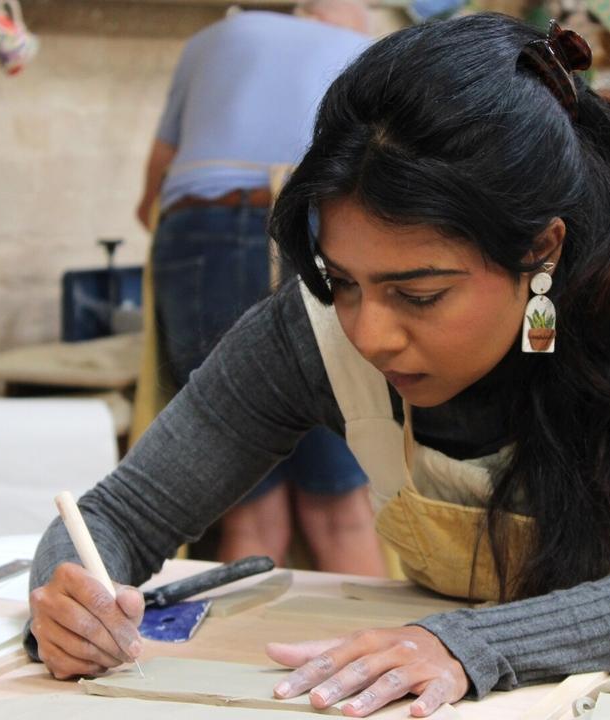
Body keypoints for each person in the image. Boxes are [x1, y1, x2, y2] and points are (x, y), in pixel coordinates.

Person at [29, 13, 610, 718]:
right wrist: (68, 601)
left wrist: (467, 642)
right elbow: (115, 517)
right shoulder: (318, 326)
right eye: (344, 281)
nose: (371, 333)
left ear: (541, 248)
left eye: (417, 293)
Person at [132, 0, 384, 574]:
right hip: (322, 229)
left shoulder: (217, 37)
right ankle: (377, 658)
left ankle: (246, 660)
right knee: (340, 507)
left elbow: (150, 198)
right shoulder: (368, 57)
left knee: (248, 502)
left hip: (203, 222)